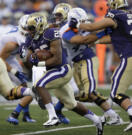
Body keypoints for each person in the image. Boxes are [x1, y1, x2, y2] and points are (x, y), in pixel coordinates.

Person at [22, 13, 105, 135]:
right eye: (28, 28)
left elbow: (57, 60)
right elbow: (28, 57)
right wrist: (25, 52)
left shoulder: (51, 33)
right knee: (72, 104)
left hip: (62, 69)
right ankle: (97, 120)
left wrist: (39, 62)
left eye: (31, 28)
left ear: (40, 26)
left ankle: (53, 117)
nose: (29, 31)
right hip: (51, 72)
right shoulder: (30, 38)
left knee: (39, 84)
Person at [68, 0, 132, 132]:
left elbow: (92, 27)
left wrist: (78, 24)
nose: (108, 7)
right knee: (117, 86)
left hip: (129, 57)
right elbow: (116, 38)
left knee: (116, 93)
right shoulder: (128, 15)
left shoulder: (116, 14)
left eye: (110, 5)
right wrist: (96, 41)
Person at [56, 7, 123, 125]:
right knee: (79, 94)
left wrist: (107, 30)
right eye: (80, 21)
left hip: (87, 59)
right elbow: (82, 40)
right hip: (75, 63)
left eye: (83, 21)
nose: (83, 24)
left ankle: (114, 115)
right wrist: (102, 32)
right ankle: (107, 103)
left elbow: (93, 35)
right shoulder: (65, 31)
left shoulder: (84, 24)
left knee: (89, 92)